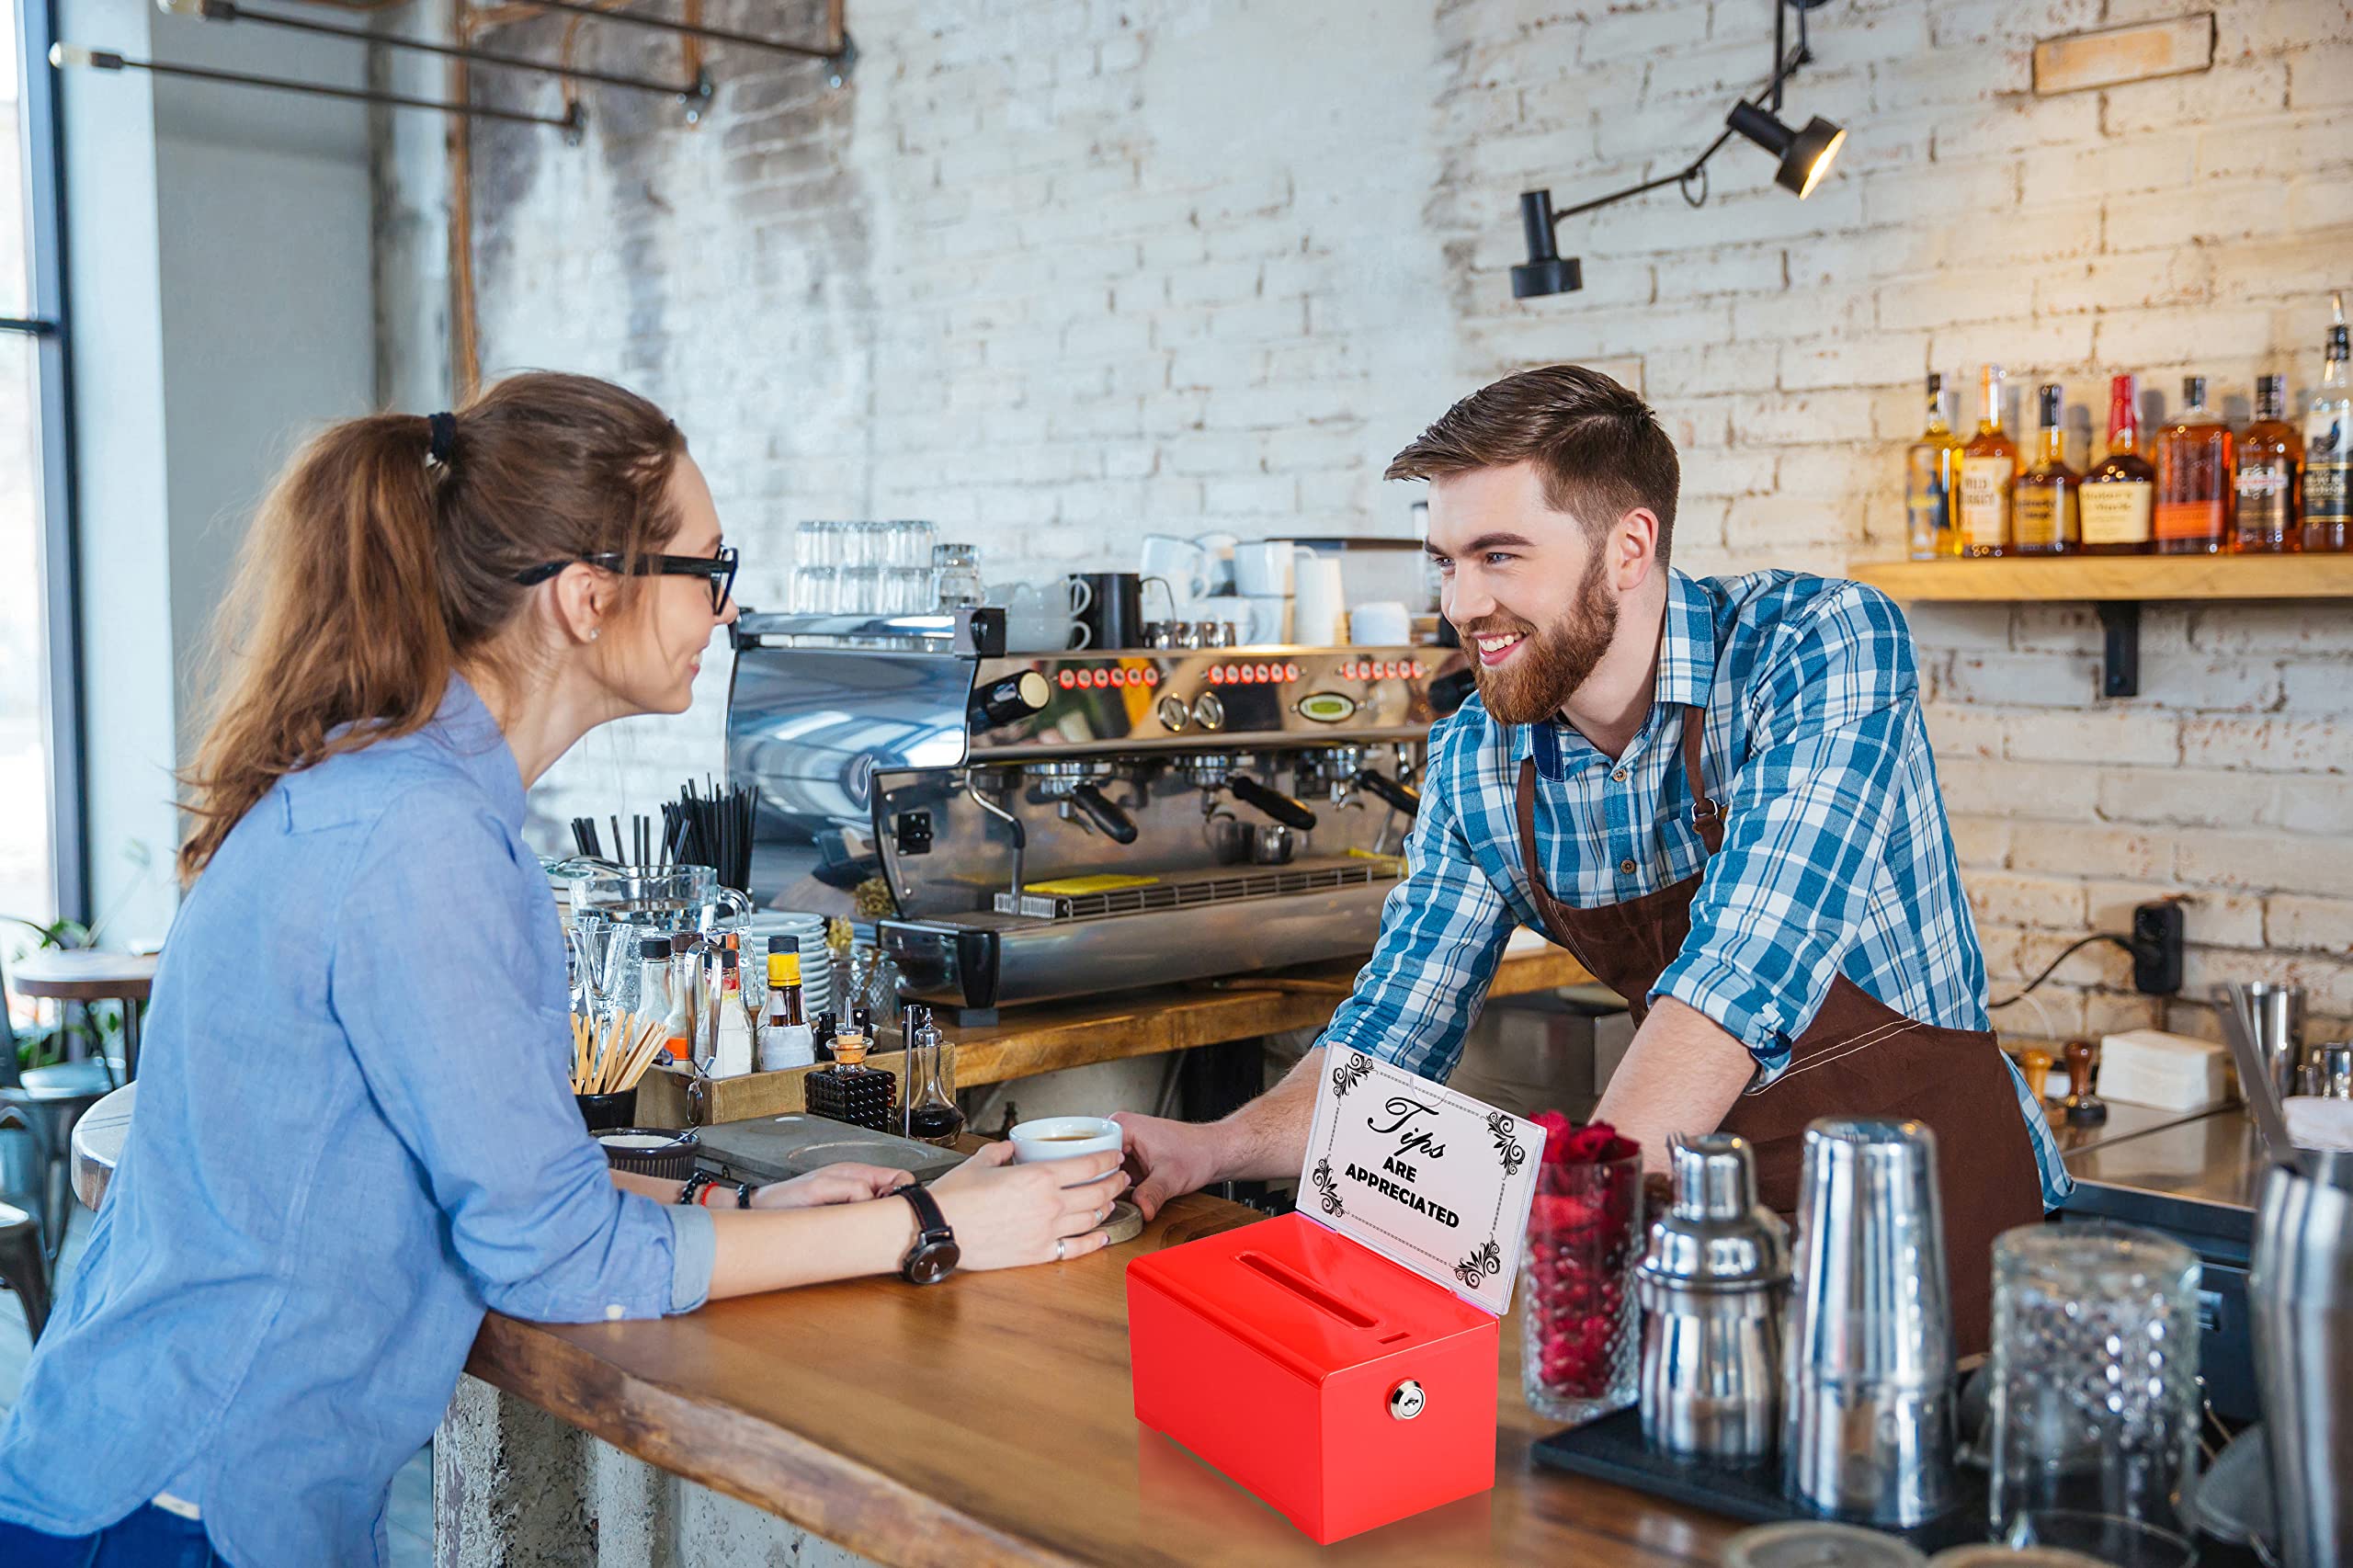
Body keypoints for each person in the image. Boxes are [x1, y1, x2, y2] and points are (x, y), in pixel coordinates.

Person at [0, 373, 1121, 1566]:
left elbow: (474, 1170)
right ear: (589, 597)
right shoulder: (421, 839)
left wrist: (733, 1201)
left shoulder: (384, 791)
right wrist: (931, 1219)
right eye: (710, 566)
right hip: (185, 1507)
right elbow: (554, 1256)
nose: (728, 613)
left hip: (150, 1470)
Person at [1115, 365, 2063, 1355]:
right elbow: (1392, 1029)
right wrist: (1211, 1146)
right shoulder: (1478, 758)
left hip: (1928, 1210)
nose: (1461, 601)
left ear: (1627, 547)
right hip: (1705, 1229)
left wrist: (1561, 1219)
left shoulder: (1815, 646)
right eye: (1443, 560)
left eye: (1498, 555)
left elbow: (1741, 973)